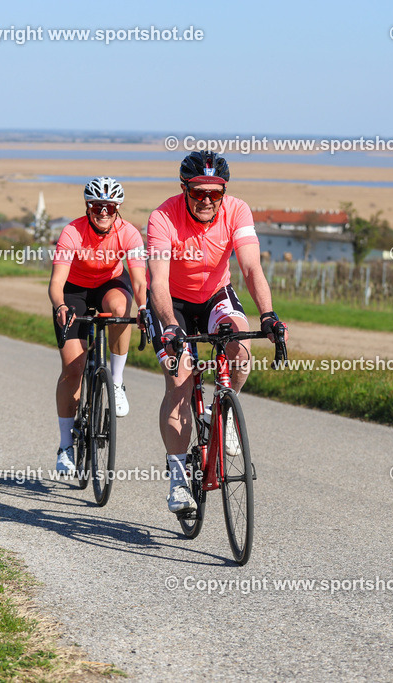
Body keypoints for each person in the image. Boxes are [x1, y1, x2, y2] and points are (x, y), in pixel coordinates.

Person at [146, 151, 288, 513]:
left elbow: (251, 268)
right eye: (199, 192)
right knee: (179, 382)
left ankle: (222, 412)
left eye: (215, 193)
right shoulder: (163, 216)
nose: (207, 200)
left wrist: (268, 315)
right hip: (172, 302)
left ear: (224, 192)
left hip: (215, 295)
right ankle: (179, 481)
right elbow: (158, 281)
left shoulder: (237, 210)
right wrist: (171, 325)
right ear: (184, 189)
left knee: (240, 349)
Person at [48, 177, 148, 474]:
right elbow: (56, 282)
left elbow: (139, 281)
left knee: (120, 309)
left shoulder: (129, 233)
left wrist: (144, 307)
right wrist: (60, 306)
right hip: (74, 291)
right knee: (73, 369)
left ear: (118, 208)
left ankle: (116, 381)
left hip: (110, 283)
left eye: (110, 207)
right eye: (97, 206)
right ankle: (66, 445)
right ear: (88, 206)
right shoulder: (72, 231)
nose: (103, 212)